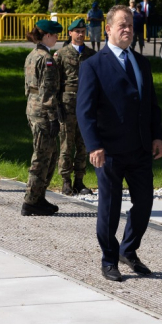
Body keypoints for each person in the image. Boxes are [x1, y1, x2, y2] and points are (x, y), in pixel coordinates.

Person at [76, 5, 162, 282]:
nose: (127, 30)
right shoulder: (93, 65)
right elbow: (85, 110)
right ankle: (109, 258)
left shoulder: (141, 62)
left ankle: (129, 250)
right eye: (122, 25)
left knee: (145, 203)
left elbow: (150, 104)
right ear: (109, 29)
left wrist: (157, 135)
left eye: (130, 25)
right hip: (109, 150)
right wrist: (94, 146)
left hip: (140, 148)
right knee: (110, 207)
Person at [22, 20, 63, 216]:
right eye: (55, 35)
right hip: (43, 111)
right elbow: (48, 91)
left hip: (33, 106)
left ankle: (38, 197)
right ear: (46, 35)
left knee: (50, 154)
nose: (57, 38)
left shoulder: (32, 55)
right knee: (42, 156)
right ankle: (31, 201)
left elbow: (28, 87)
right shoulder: (46, 58)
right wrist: (53, 117)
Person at [53, 18, 96, 196]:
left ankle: (79, 179)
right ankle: (65, 180)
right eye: (76, 31)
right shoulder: (61, 55)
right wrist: (56, 106)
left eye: (82, 31)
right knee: (66, 143)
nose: (80, 34)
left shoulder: (91, 54)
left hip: (86, 103)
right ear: (70, 33)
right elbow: (55, 83)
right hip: (67, 103)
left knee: (83, 143)